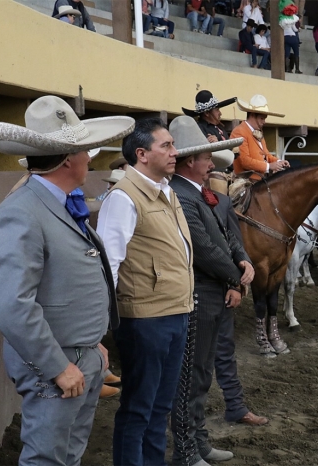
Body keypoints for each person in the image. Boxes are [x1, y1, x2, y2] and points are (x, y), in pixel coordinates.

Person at [0, 95, 133, 465]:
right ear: (69, 158)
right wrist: (58, 366)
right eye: (85, 150)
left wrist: (90, 345)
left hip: (77, 357)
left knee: (66, 454)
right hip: (56, 364)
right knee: (47, 458)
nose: (89, 157)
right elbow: (13, 305)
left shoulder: (53, 202)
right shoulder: (23, 212)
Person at [167, 117, 265, 466]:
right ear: (191, 161)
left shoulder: (204, 195)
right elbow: (205, 249)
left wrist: (242, 261)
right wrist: (237, 277)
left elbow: (230, 240)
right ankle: (187, 450)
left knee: (202, 372)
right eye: (207, 157)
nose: (213, 163)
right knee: (192, 374)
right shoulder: (180, 195)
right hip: (201, 293)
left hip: (214, 291)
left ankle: (198, 443)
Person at [97, 118, 194, 466]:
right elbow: (108, 266)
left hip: (174, 313)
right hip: (144, 320)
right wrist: (101, 327)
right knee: (139, 408)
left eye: (172, 145)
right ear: (141, 154)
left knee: (159, 408)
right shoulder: (123, 197)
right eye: (165, 146)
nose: (175, 152)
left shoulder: (166, 191)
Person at [231, 95, 289, 180]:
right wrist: (269, 166)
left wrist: (278, 162)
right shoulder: (239, 131)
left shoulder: (258, 132)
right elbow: (245, 161)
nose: (264, 122)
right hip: (246, 182)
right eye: (262, 118)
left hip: (261, 182)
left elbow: (267, 155)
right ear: (252, 115)